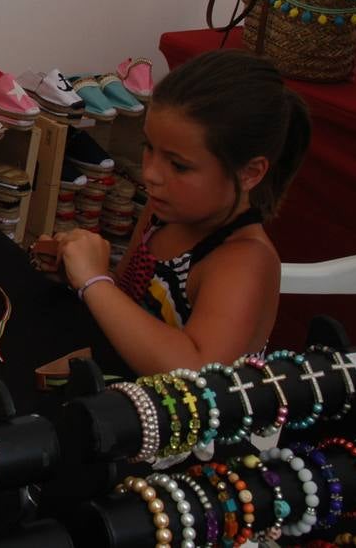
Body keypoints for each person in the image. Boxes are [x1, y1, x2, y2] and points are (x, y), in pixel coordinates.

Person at [56, 50, 311, 375]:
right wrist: (77, 271)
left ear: (249, 173)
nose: (151, 174)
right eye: (148, 147)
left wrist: (94, 281)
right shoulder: (164, 212)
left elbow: (195, 371)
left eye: (178, 165)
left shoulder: (243, 262)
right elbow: (130, 296)